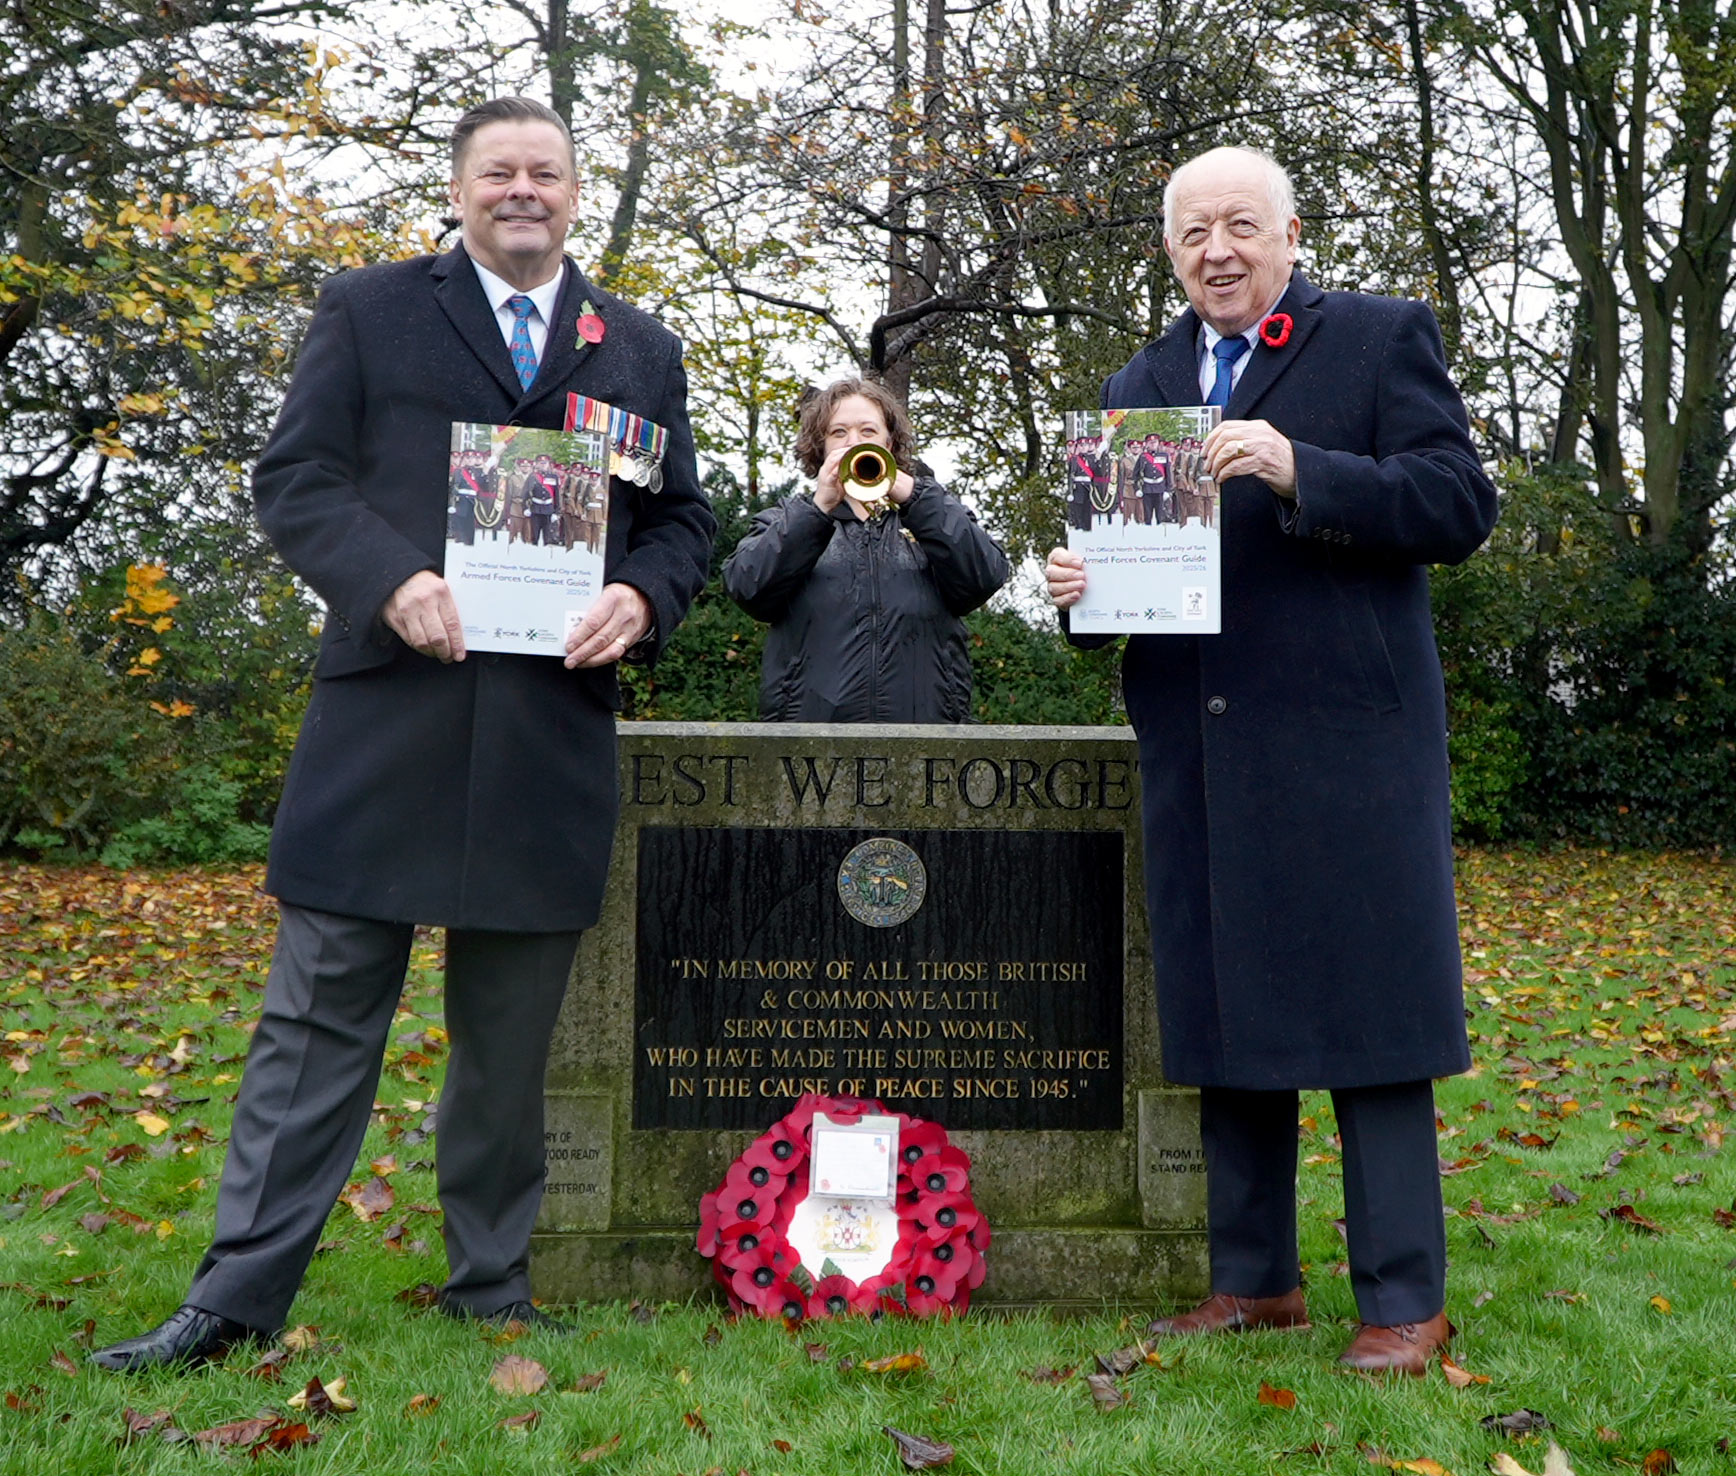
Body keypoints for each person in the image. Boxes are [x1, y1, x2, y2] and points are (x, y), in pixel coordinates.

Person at [91, 96, 715, 1372]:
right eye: (499, 173)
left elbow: (682, 525)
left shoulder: (639, 352)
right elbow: (297, 480)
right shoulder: (368, 309)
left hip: (547, 736)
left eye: (545, 172)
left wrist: (641, 595)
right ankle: (238, 1298)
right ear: (461, 187)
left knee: (506, 1045)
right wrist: (389, 577)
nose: (523, 191)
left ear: (576, 192)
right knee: (318, 1024)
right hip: (386, 720)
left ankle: (491, 1283)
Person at [1046, 145, 1497, 1375]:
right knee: (1223, 1011)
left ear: (1289, 233)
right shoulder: (1138, 380)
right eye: (1192, 233)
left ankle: (1402, 1298)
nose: (1217, 251)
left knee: (1373, 1024)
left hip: (1348, 748)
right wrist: (1079, 591)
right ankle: (1253, 1284)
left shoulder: (1373, 338)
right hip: (1196, 746)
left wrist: (1302, 467)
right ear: (1168, 250)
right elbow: (1123, 593)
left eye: (1240, 225)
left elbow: (1457, 502)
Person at [723, 377, 1009, 723]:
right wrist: (817, 511)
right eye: (838, 432)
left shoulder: (930, 516)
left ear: (890, 441)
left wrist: (916, 497)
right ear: (821, 446)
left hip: (927, 743)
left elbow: (986, 575)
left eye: (868, 431)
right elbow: (746, 587)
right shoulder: (784, 520)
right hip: (811, 745)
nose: (853, 442)